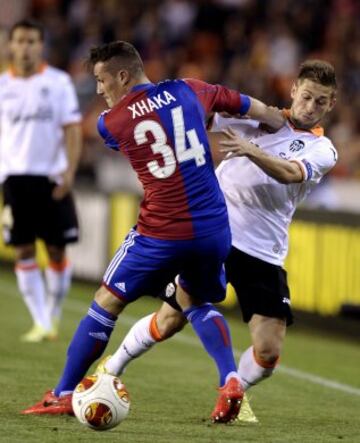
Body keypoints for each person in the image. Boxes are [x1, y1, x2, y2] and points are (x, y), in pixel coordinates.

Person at [21, 40, 284, 423]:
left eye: (101, 80)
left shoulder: (110, 122)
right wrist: (285, 121)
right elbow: (259, 111)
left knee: (106, 302)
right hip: (213, 228)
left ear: (123, 76)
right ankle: (230, 381)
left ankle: (62, 393)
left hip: (161, 230)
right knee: (194, 301)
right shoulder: (191, 89)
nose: (99, 90)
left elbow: (133, 134)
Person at [92, 59, 338, 422]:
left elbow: (289, 174)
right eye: (306, 97)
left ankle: (236, 389)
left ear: (331, 105)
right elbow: (193, 113)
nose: (310, 107)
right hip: (214, 232)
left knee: (268, 353)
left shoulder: (323, 149)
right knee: (171, 320)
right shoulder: (260, 117)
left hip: (262, 251)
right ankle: (110, 369)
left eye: (320, 102)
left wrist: (252, 150)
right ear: (293, 91)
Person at [0, 20, 82, 342]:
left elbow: (72, 128)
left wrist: (71, 171)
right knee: (23, 250)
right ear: (10, 45)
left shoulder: (58, 82)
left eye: (32, 41)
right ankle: (41, 322)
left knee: (57, 250)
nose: (25, 47)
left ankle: (53, 314)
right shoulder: (2, 86)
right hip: (15, 178)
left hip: (51, 177)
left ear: (41, 45)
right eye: (20, 41)